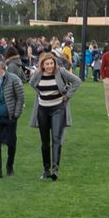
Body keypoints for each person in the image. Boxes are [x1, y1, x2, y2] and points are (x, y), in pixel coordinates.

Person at [28, 51, 81, 181]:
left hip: (58, 108)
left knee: (56, 139)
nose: (50, 66)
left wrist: (67, 95)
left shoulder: (60, 72)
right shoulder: (38, 74)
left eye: (52, 63)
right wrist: (41, 94)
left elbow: (77, 81)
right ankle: (46, 170)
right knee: (45, 141)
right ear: (42, 65)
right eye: (47, 64)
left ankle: (55, 170)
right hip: (43, 110)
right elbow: (31, 84)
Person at [0, 49, 24, 178]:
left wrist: (15, 115)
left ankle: (9, 166)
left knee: (11, 144)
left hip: (10, 117)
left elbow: (20, 98)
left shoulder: (13, 79)